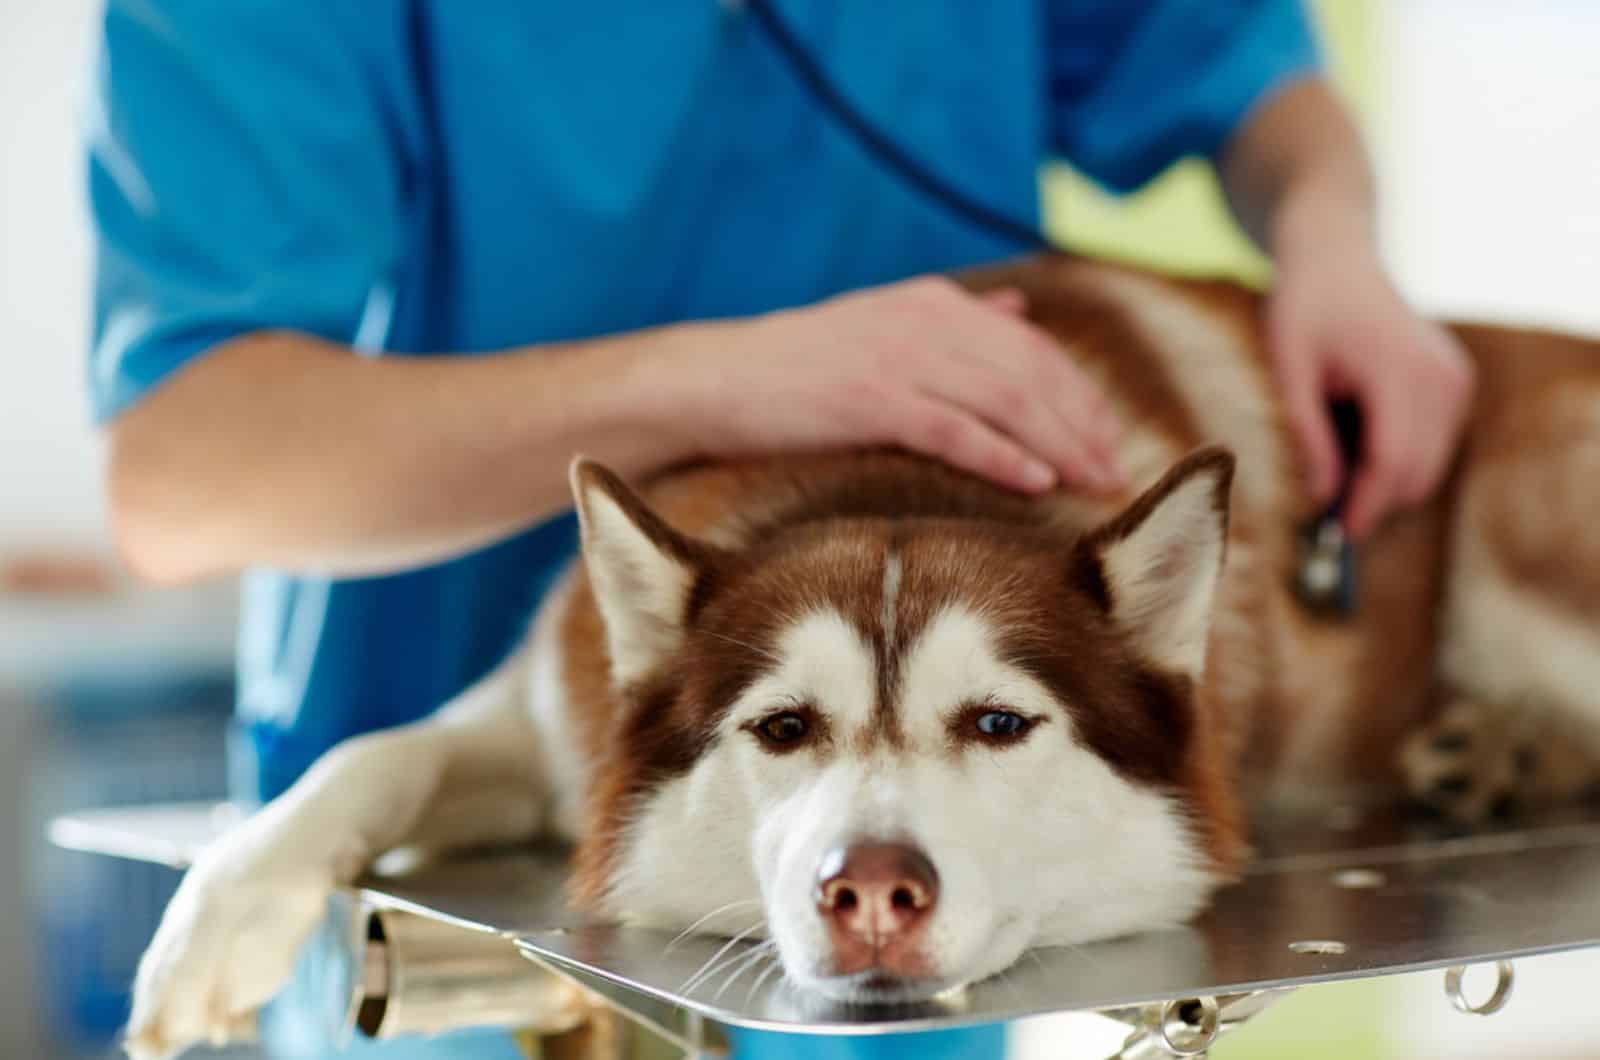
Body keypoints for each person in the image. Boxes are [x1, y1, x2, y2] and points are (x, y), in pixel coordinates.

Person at [88, 3, 1473, 1058]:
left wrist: (1334, 241)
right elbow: (180, 474)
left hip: (906, 912)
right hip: (473, 873)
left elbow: (1228, 62)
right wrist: (719, 380)